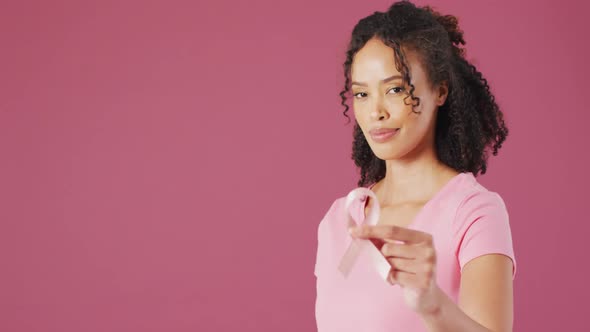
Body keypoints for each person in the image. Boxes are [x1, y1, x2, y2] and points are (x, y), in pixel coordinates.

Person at [314, 1, 516, 331]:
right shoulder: (339, 220)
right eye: (362, 94)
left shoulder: (474, 211)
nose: (375, 111)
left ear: (440, 90)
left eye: (395, 89)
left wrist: (432, 305)